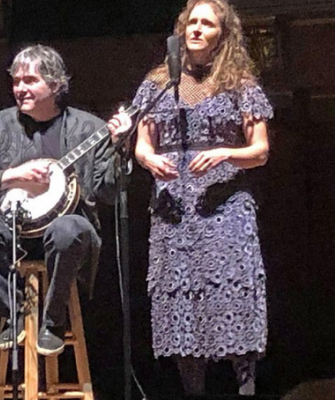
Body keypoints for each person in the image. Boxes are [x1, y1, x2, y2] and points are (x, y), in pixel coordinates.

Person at [131, 0, 272, 396]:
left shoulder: (240, 84)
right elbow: (142, 146)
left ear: (222, 35)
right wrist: (150, 160)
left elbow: (260, 151)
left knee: (233, 296)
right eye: (190, 22)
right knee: (182, 307)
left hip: (225, 206)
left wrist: (226, 153)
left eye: (206, 24)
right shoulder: (159, 83)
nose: (195, 29)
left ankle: (246, 389)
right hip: (174, 208)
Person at [0, 45, 131, 356]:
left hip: (68, 235)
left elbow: (108, 192)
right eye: (16, 81)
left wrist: (120, 149)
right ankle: (13, 310)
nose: (20, 88)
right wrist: (13, 175)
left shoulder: (88, 128)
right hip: (14, 231)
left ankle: (53, 321)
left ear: (55, 85)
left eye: (30, 81)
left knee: (66, 229)